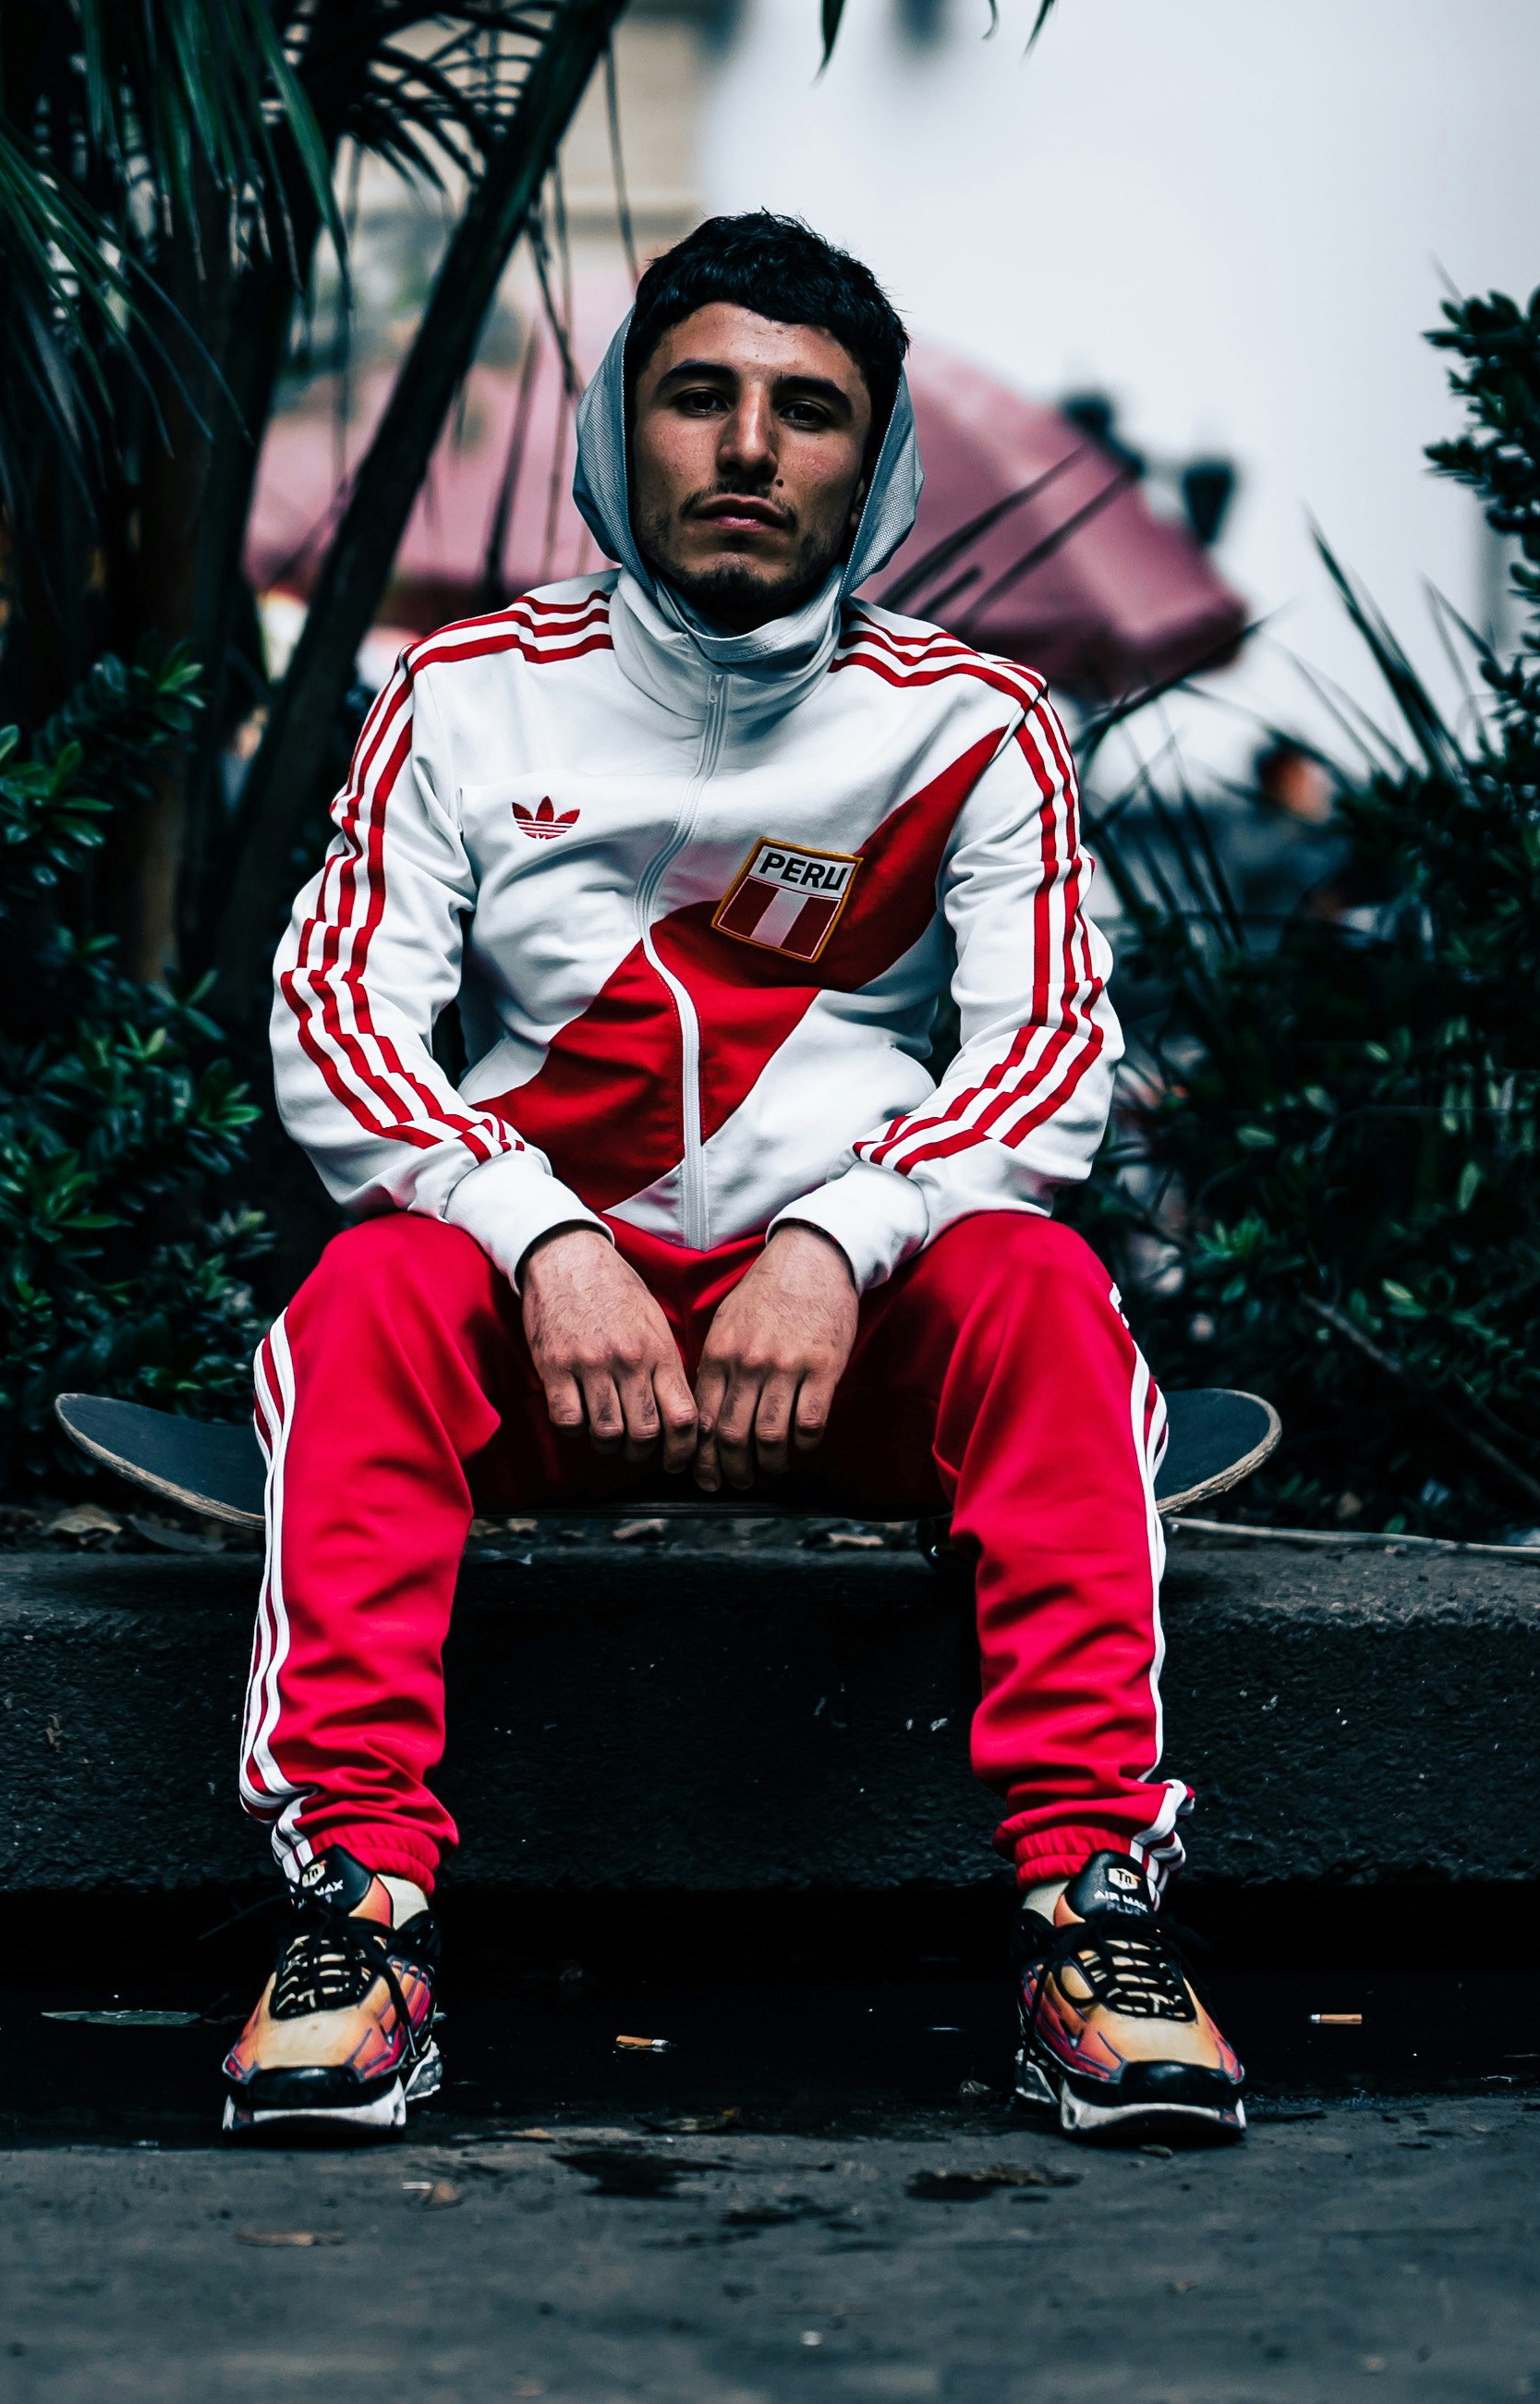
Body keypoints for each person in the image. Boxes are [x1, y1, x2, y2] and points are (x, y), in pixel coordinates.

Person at [221, 212, 1246, 2146]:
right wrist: (536, 1230)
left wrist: (843, 1237)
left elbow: (1050, 1053)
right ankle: (354, 1924)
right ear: (622, 436)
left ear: (878, 466)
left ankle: (1092, 1922)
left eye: (808, 410)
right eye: (702, 395)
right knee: (363, 1298)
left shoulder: (976, 721)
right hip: (552, 1348)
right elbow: (336, 1019)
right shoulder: (462, 694)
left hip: (837, 1356)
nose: (751, 446)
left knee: (1040, 1292)